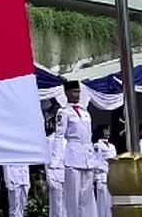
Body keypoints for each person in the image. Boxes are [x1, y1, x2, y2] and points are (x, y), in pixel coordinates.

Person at [51, 80, 96, 217]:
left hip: (87, 157)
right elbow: (59, 137)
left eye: (78, 91)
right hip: (73, 155)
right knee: (73, 197)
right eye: (74, 91)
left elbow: (89, 136)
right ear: (67, 93)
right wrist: (55, 160)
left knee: (87, 196)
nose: (77, 94)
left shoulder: (85, 112)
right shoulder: (64, 112)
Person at [45, 111, 66, 217]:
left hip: (65, 173)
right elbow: (47, 159)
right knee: (57, 203)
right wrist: (48, 175)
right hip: (55, 173)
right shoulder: (50, 139)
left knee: (65, 204)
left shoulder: (66, 141)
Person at [93, 126, 116, 217]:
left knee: (110, 201)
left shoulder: (112, 146)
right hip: (101, 175)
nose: (108, 133)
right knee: (102, 201)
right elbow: (96, 160)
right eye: (106, 130)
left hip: (111, 175)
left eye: (109, 131)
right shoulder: (97, 145)